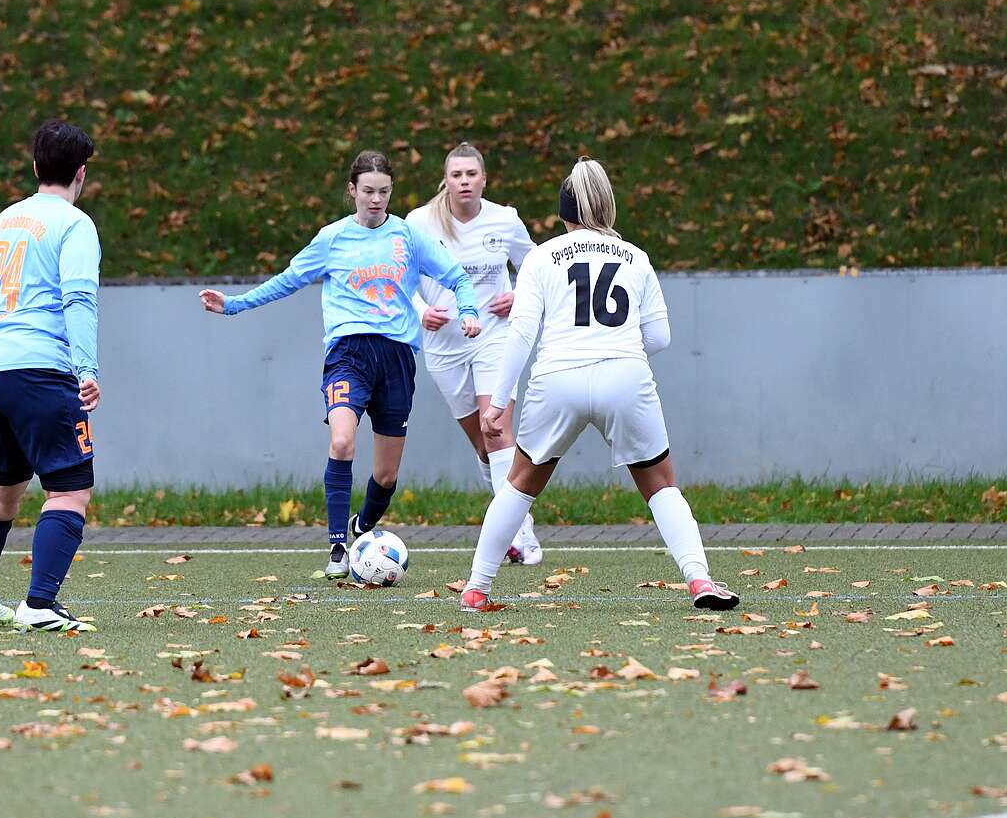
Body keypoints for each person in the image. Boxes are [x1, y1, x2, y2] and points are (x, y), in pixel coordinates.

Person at [460, 157, 739, 613]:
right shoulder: (636, 257)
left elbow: (522, 333)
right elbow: (660, 338)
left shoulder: (541, 256)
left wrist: (499, 401)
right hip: (624, 376)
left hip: (557, 378)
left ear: (563, 213)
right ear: (609, 205)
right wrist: (618, 350)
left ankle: (476, 587)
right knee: (661, 485)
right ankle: (699, 578)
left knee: (519, 484)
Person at [200, 150, 481, 577]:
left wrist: (469, 311)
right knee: (342, 442)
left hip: (396, 358)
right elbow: (289, 279)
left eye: (384, 192)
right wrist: (235, 304)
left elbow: (457, 277)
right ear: (352, 190)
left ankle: (361, 527)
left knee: (386, 476)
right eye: (368, 191)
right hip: (347, 355)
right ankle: (336, 548)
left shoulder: (408, 237)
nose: (376, 199)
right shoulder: (332, 238)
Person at [0, 119, 102, 633]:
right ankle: (39, 605)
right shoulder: (75, 224)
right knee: (69, 491)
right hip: (36, 369)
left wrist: (7, 302)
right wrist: (86, 368)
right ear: (81, 173)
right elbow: (78, 298)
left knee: (1, 489)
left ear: (36, 168)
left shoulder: (8, 216)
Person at [407, 142, 542, 565]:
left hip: (494, 337)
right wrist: (421, 310)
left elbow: (536, 268)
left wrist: (517, 296)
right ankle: (512, 519)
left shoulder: (505, 219)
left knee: (496, 429)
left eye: (471, 174)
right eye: (456, 175)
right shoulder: (419, 223)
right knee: (485, 448)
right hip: (444, 347)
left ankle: (520, 534)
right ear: (445, 181)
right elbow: (398, 278)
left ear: (484, 179)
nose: (464, 181)